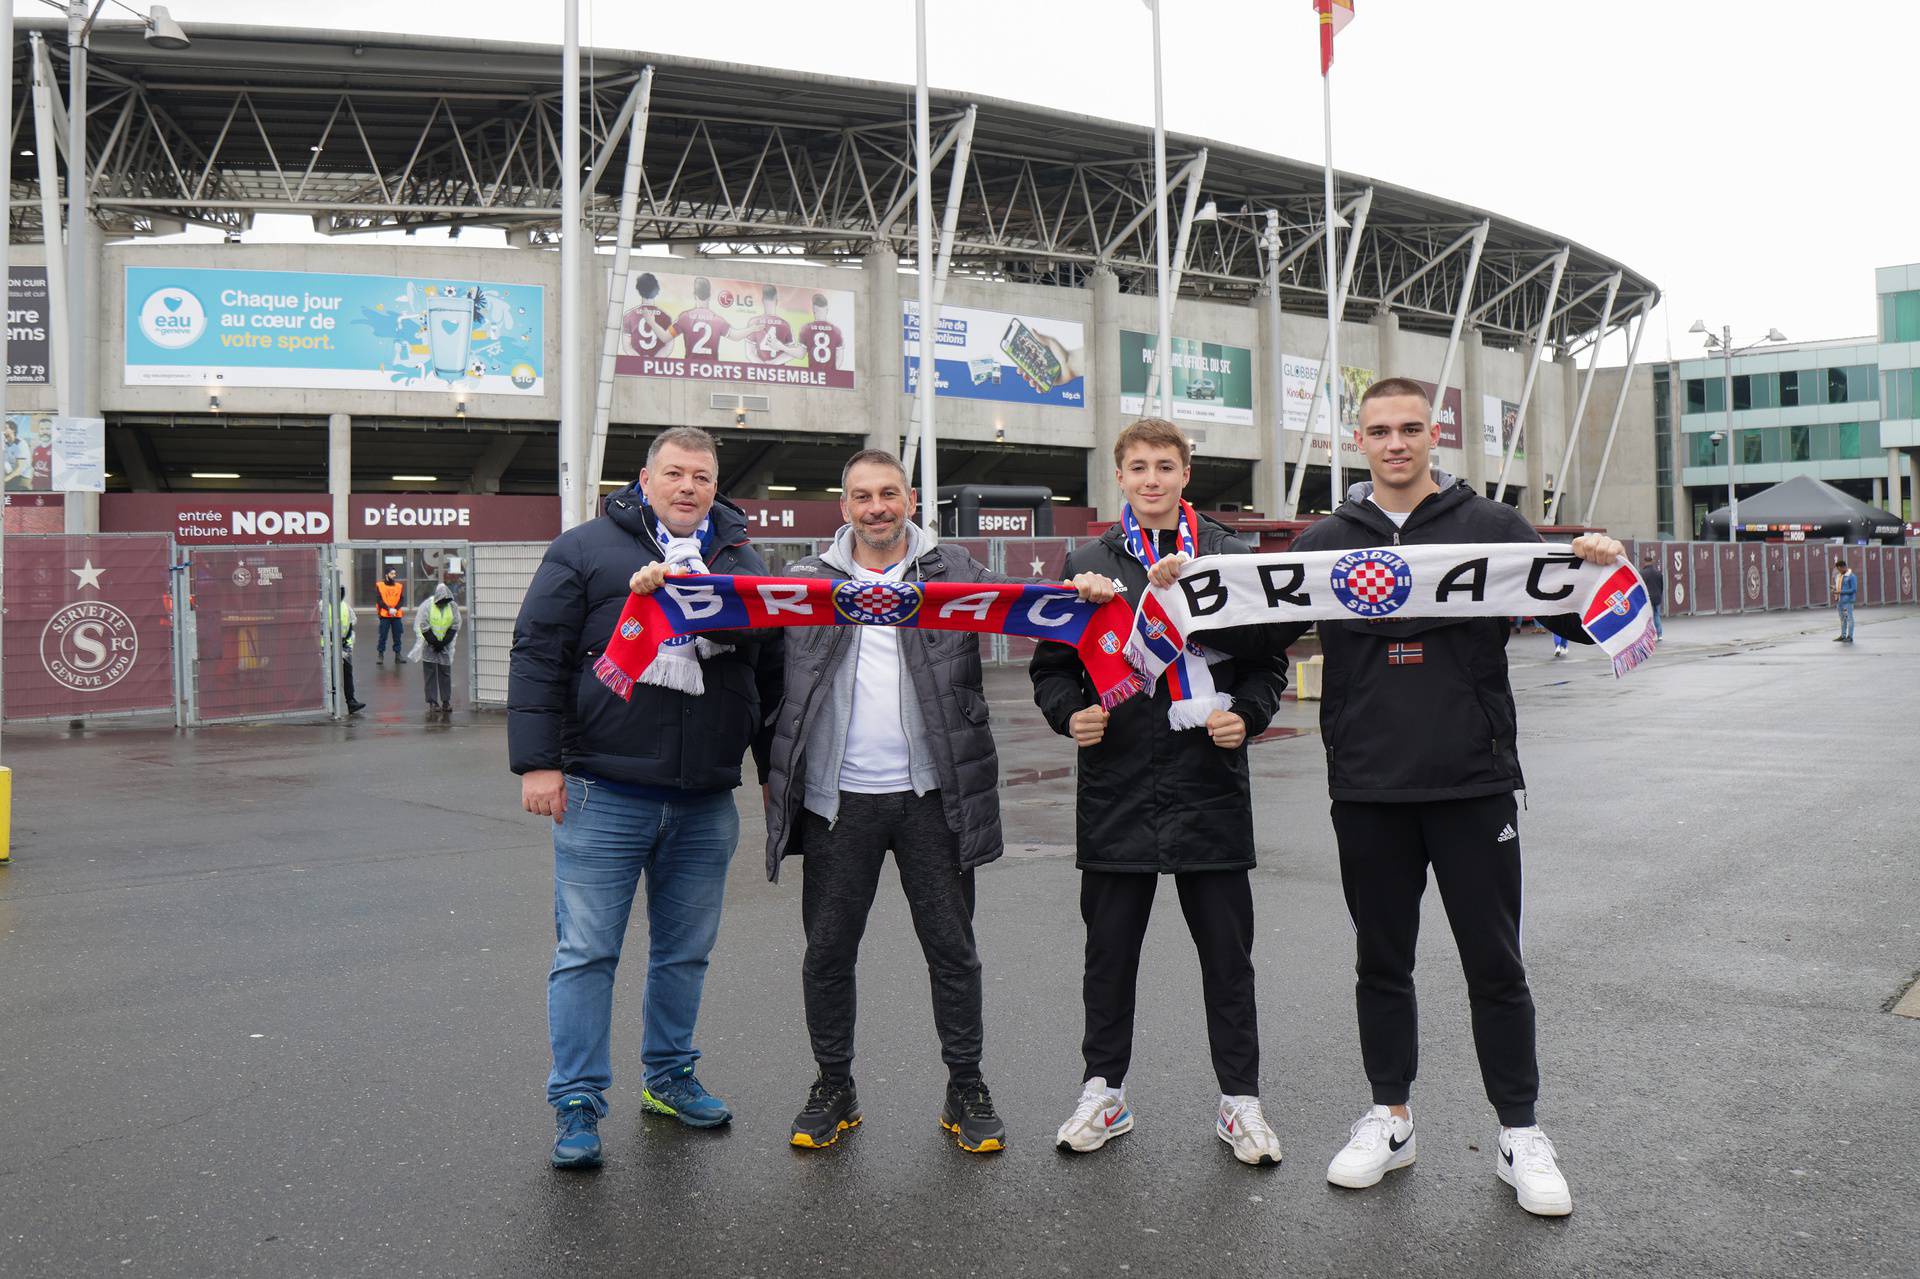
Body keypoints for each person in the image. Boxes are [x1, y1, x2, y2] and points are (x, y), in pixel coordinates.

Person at [1257, 376, 1623, 1217]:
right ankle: (1391, 1118)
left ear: (1433, 436)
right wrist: (1177, 585)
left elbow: (1573, 619)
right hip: (1368, 785)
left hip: (1473, 781)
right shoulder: (1324, 541)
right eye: (1379, 429)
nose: (1395, 442)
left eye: (1410, 427)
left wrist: (1594, 568)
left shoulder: (1490, 527)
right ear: (1358, 440)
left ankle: (1519, 1132)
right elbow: (1251, 630)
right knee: (1382, 962)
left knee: (1496, 964)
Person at [763, 449, 1117, 1155]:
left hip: (934, 794)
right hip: (838, 799)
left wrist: (1087, 592)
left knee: (953, 951)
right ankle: (835, 1083)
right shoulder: (803, 580)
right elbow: (725, 626)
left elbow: (1032, 610)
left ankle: (966, 1084)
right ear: (844, 507)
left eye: (888, 493)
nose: (876, 507)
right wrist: (666, 591)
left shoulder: (957, 570)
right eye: (861, 495)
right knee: (827, 953)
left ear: (911, 498)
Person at [509, 425, 783, 1170]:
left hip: (703, 797)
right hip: (604, 788)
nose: (688, 486)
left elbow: (768, 672)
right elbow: (539, 652)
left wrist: (770, 765)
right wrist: (538, 764)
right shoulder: (586, 549)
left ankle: (668, 1076)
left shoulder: (741, 559)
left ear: (715, 484)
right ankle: (576, 1099)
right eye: (674, 473)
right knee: (587, 951)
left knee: (684, 952)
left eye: (701, 475)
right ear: (645, 478)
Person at [1030, 418, 1290, 1168]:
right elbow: (1052, 667)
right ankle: (1103, 1091)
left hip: (1208, 780)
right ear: (1120, 475)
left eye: (1165, 466)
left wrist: (1248, 713)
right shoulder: (1086, 562)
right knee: (1109, 956)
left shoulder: (1228, 556)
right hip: (1116, 779)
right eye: (1138, 466)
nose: (1151, 478)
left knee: (1227, 959)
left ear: (1186, 473)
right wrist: (1065, 713)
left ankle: (1241, 1100)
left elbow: (1267, 661)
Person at [414, 583, 460, 711]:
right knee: (430, 674)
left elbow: (454, 625)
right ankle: (432, 702)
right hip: (430, 646)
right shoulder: (428, 606)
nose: (443, 604)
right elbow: (423, 625)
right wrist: (434, 642)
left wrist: (444, 642)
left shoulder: (452, 607)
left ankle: (446, 701)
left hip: (445, 646)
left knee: (445, 673)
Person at [335, 586, 365, 715]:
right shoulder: (322, 606)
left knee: (347, 674)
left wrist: (346, 640)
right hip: (328, 646)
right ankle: (331, 705)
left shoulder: (345, 607)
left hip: (343, 646)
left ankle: (351, 702)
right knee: (330, 676)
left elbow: (352, 623)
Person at [375, 569, 407, 664]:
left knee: (397, 635)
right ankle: (380, 654)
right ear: (386, 574)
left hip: (396, 615)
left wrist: (396, 609)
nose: (394, 575)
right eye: (391, 573)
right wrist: (389, 609)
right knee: (383, 635)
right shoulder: (380, 586)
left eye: (394, 573)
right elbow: (379, 600)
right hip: (385, 615)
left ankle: (398, 655)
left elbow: (401, 600)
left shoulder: (399, 586)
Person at [1833, 556, 1857, 642]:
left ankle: (1850, 636)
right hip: (1840, 601)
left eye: (1840, 569)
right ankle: (1843, 635)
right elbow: (1839, 587)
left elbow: (1854, 589)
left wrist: (1840, 592)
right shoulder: (1839, 576)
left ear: (1844, 567)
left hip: (1848, 601)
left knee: (1849, 618)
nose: (1839, 571)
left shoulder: (1851, 576)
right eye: (1838, 569)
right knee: (1842, 618)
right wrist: (1834, 588)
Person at [1641, 556, 1665, 638]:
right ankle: (1660, 635)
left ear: (1644, 561)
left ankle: (1650, 636)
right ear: (1652, 561)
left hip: (1647, 598)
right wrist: (1660, 595)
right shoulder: (1658, 573)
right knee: (1656, 615)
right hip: (1657, 598)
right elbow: (1662, 586)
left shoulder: (1642, 573)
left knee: (1648, 618)